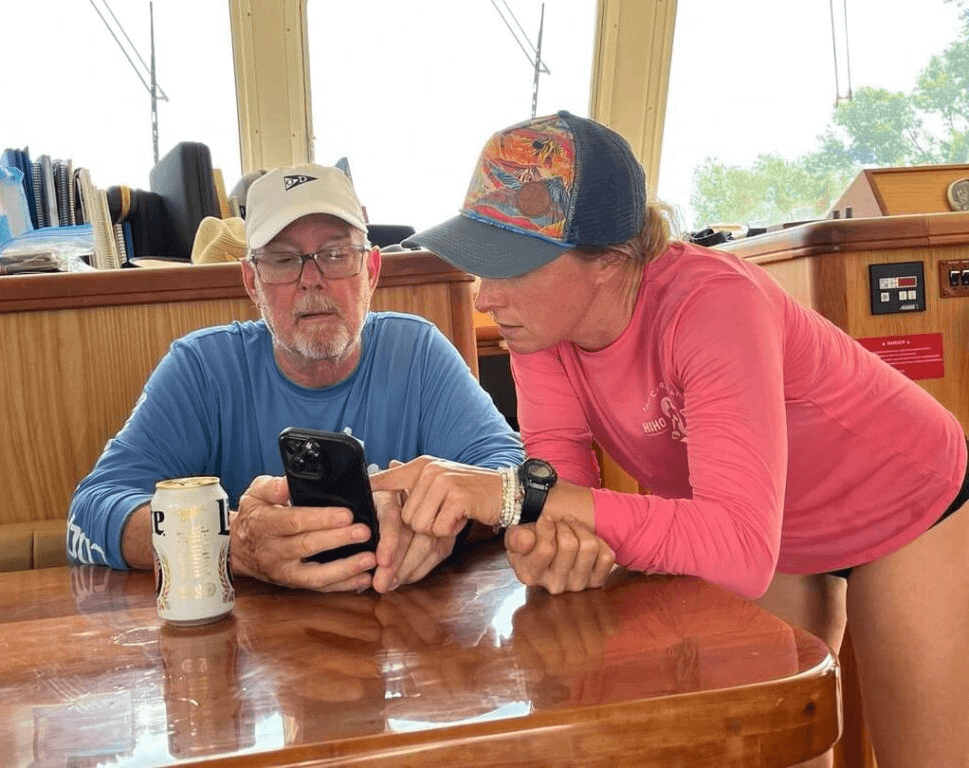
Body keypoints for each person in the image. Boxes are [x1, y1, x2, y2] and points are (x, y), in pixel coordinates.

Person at [371, 111, 969, 767]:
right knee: (770, 745)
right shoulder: (540, 332)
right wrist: (550, 545)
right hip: (772, 528)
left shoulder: (713, 305)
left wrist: (515, 499)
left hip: (905, 498)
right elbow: (564, 506)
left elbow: (734, 549)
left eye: (512, 268)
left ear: (610, 261)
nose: (486, 297)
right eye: (482, 264)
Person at [67, 163, 523, 594]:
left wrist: (448, 526)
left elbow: (515, 478)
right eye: (284, 260)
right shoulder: (202, 368)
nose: (311, 280)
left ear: (372, 270)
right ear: (252, 282)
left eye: (336, 254)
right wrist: (229, 544)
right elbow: (90, 512)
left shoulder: (418, 353)